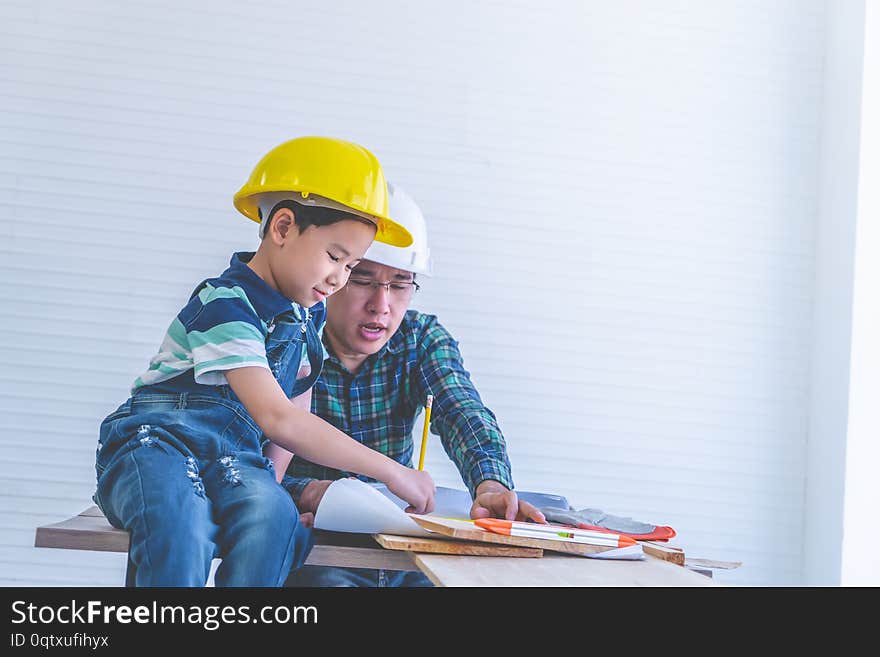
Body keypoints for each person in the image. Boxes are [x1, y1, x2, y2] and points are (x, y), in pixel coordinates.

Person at [92, 137, 435, 587]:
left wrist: (266, 488)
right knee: (180, 522)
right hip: (158, 446)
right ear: (283, 228)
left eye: (350, 266)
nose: (338, 278)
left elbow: (298, 403)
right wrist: (392, 472)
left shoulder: (306, 315)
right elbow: (278, 418)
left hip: (231, 458)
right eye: (334, 256)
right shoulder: (226, 305)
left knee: (276, 521)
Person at [282, 182, 545, 587]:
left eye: (400, 284)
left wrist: (488, 483)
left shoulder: (421, 339)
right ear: (333, 273)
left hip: (405, 550)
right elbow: (244, 463)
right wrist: (304, 492)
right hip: (318, 551)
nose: (382, 305)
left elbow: (462, 412)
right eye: (363, 279)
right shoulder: (287, 338)